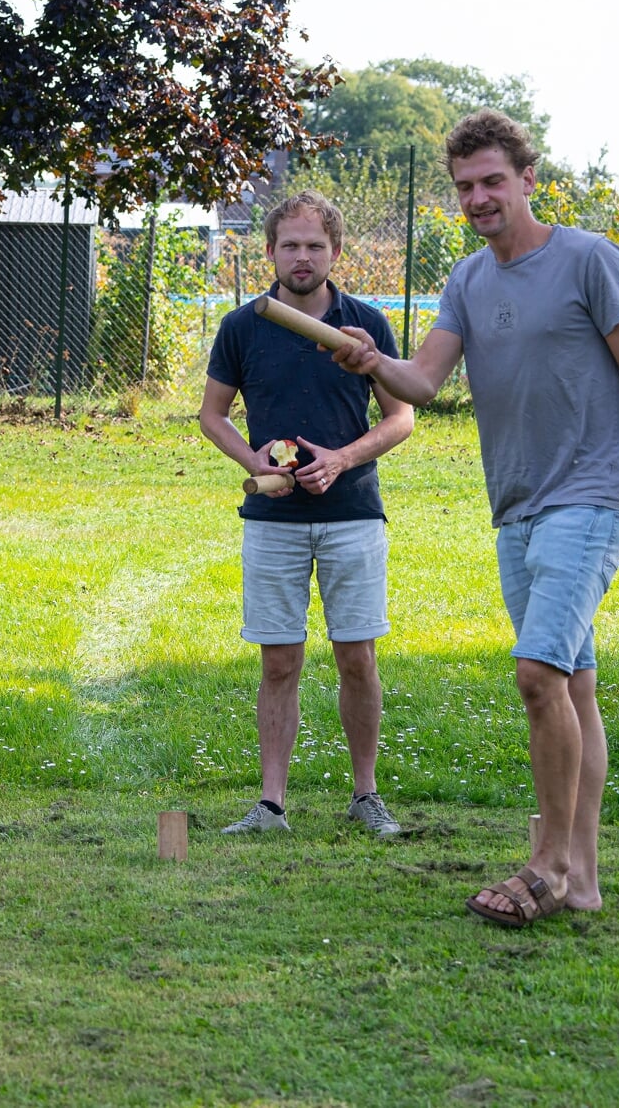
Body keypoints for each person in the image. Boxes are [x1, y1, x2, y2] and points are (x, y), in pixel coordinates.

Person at [330, 110, 619, 925]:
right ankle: (587, 882)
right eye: (465, 187)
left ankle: (547, 865)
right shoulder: (469, 281)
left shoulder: (590, 262)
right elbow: (424, 381)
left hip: (590, 498)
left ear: (528, 180)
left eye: (493, 181)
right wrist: (373, 361)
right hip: (517, 510)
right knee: (572, 684)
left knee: (537, 675)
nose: (478, 198)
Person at [200, 191, 415, 837]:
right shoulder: (244, 325)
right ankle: (271, 805)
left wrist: (342, 460)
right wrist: (255, 461)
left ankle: (366, 796)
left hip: (352, 512)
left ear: (336, 252)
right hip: (274, 522)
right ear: (268, 251)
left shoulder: (366, 325)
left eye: (314, 246)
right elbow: (212, 415)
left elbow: (401, 416)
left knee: (357, 657)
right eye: (289, 245)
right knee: (279, 662)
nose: (301, 256)